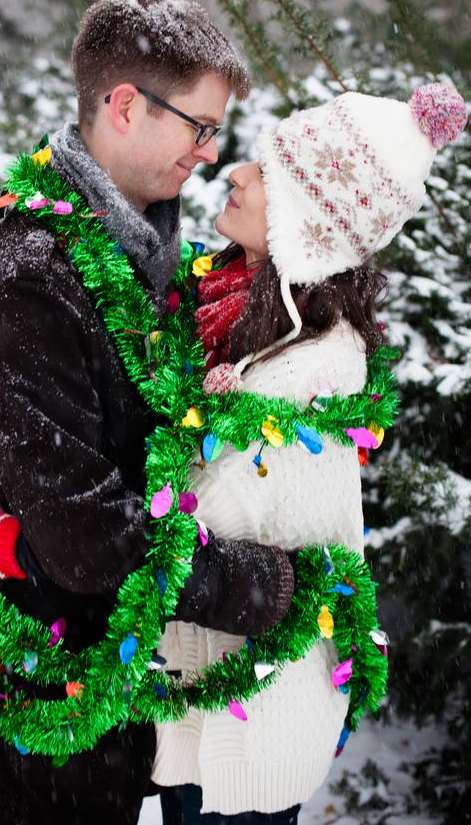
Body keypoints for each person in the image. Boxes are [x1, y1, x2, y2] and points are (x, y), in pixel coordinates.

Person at [0, 0, 297, 825]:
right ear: (125, 105)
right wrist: (259, 586)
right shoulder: (31, 275)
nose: (210, 155)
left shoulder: (155, 252)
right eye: (199, 127)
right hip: (63, 713)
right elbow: (85, 534)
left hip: (158, 698)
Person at [153, 82, 467, 824]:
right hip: (207, 686)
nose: (236, 174)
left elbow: (208, 505)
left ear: (309, 222)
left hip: (257, 712)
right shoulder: (236, 305)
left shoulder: (316, 366)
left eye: (265, 174)